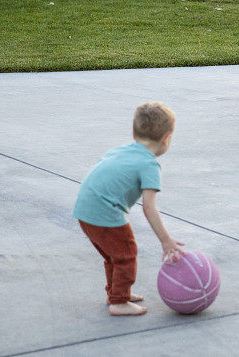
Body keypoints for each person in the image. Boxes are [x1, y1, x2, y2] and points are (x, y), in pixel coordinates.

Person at [73, 102, 184, 316]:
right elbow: (149, 208)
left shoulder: (121, 151)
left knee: (113, 256)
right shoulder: (149, 164)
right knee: (126, 254)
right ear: (166, 139)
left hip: (84, 210)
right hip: (104, 214)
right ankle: (118, 301)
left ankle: (116, 291)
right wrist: (165, 239)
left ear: (134, 132)